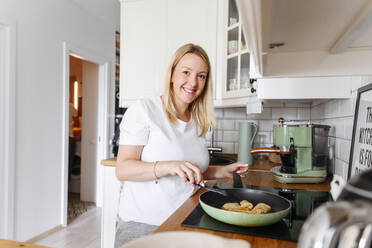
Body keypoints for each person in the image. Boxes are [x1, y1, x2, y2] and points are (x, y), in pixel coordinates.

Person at [115, 43, 248, 247]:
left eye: (201, 76)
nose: (193, 82)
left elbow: (190, 170)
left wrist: (223, 172)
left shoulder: (197, 119)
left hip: (186, 219)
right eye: (186, 72)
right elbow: (123, 169)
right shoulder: (145, 110)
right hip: (145, 225)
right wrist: (168, 165)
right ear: (172, 75)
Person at [69, 102, 78, 181]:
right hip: (70, 137)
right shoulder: (70, 106)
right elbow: (76, 120)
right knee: (69, 163)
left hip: (59, 138)